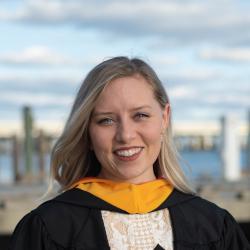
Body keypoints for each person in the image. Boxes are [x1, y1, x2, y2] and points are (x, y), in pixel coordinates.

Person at [9, 56, 249, 250]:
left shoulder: (214, 226)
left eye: (141, 115)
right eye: (106, 120)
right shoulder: (48, 229)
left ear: (165, 119)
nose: (125, 134)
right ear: (87, 133)